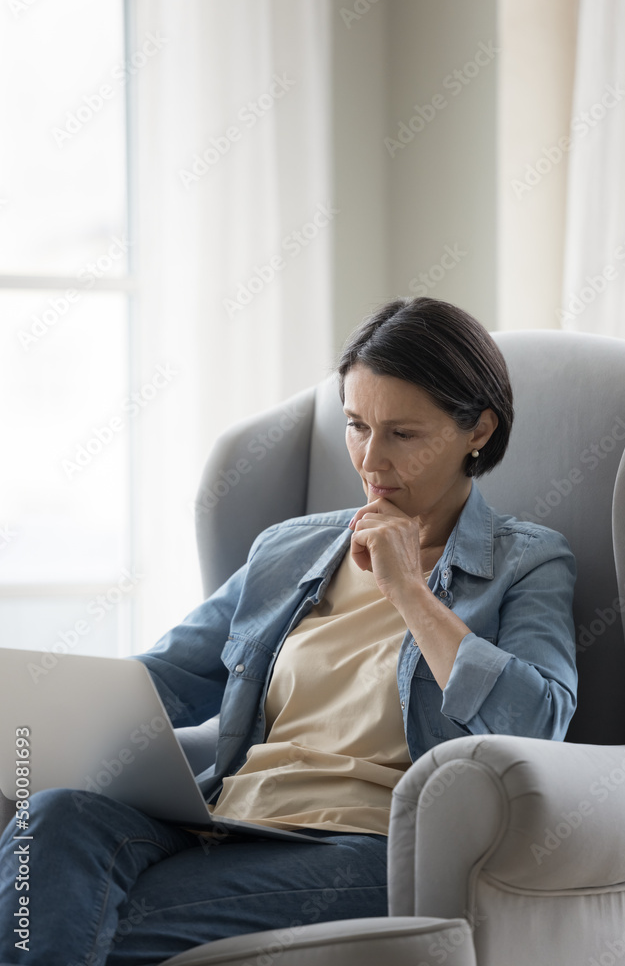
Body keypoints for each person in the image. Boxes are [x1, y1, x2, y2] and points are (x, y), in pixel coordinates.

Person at [0, 297, 577, 965]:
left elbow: (538, 724)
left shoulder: (526, 560)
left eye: (403, 434)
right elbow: (161, 679)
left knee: (49, 914)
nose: (371, 460)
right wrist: (41, 708)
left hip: (368, 852)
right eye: (357, 426)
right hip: (228, 822)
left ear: (477, 429)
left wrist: (408, 593)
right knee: (57, 819)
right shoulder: (289, 549)